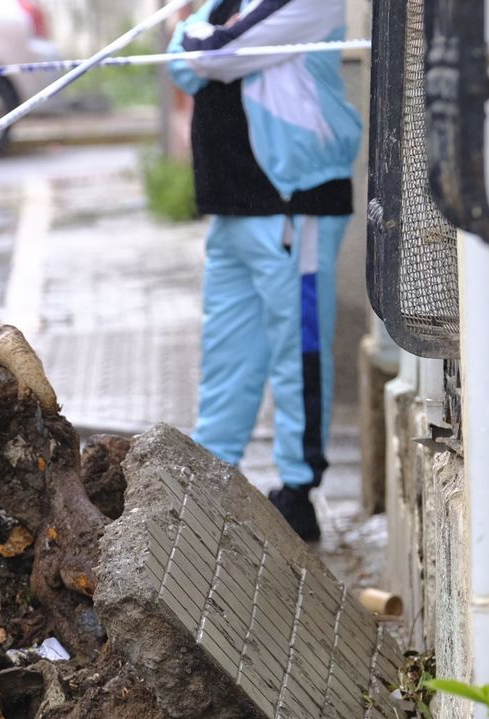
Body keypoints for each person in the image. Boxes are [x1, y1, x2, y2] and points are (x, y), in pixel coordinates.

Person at [167, 0, 361, 542]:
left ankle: (298, 495)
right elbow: (181, 58)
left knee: (298, 353)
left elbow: (214, 54)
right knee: (226, 351)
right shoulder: (225, 2)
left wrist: (206, 39)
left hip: (293, 203)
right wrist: (205, 38)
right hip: (232, 203)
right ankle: (209, 480)